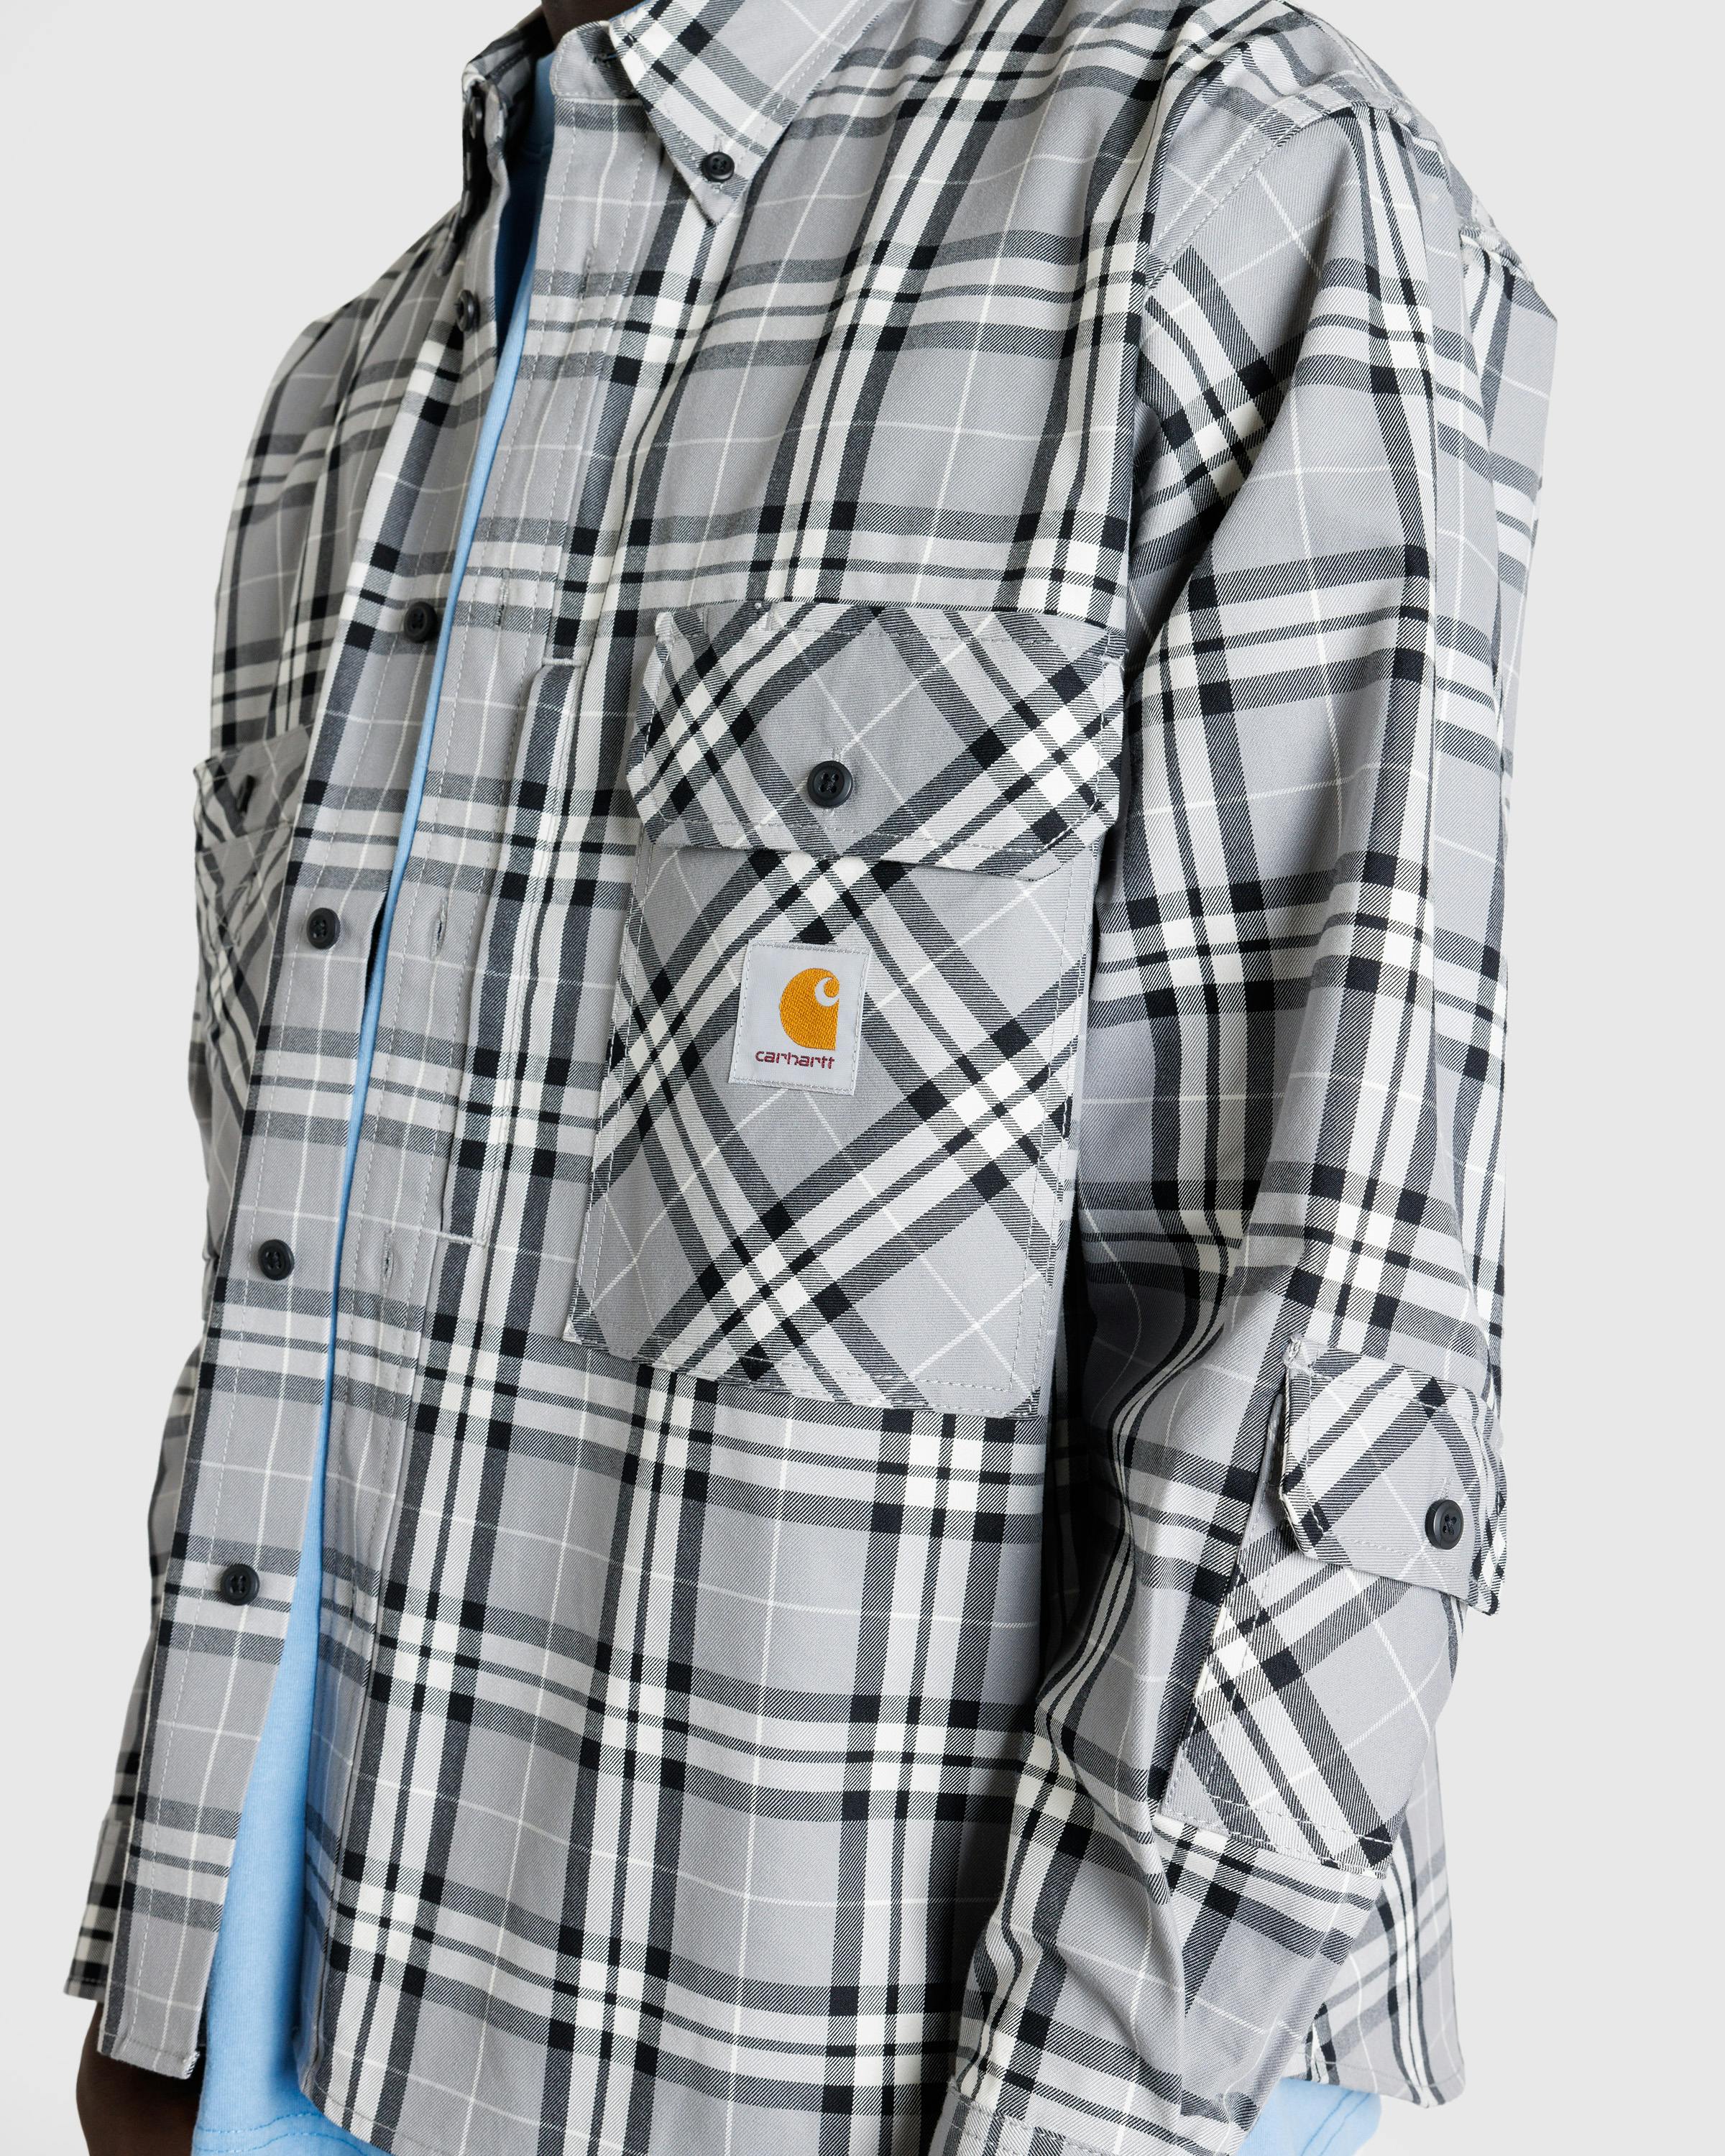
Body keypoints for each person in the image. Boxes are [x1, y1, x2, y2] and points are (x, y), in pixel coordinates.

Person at [70, 3, 1554, 2153]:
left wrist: (1094, 2110)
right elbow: (284, 1308)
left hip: (881, 2079)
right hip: (295, 2038)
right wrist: (172, 1971)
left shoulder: (1227, 187)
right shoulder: (349, 404)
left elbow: (1329, 1356)